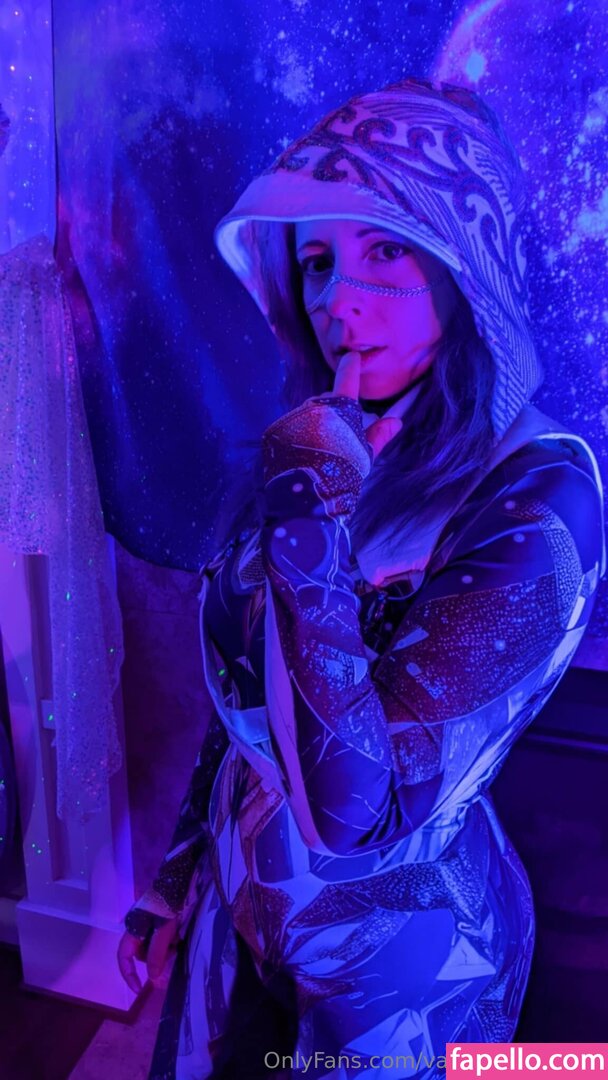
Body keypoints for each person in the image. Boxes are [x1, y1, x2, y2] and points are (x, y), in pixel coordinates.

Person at [117, 77, 606, 1078]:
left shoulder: (542, 491)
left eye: (385, 248)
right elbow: (250, 684)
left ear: (461, 256)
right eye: (315, 261)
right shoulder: (334, 441)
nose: (338, 300)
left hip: (396, 978)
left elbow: (354, 815)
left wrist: (306, 511)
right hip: (240, 919)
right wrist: (176, 877)